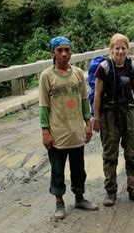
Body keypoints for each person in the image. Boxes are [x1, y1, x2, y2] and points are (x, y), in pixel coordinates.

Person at [39, 36, 98, 220]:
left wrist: (88, 124)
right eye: (59, 51)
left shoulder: (78, 73)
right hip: (58, 134)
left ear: (71, 51)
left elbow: (83, 100)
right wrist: (45, 132)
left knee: (78, 168)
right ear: (53, 53)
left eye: (67, 50)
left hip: (76, 132)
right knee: (57, 170)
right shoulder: (47, 76)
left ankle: (79, 198)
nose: (64, 54)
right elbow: (44, 106)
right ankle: (59, 202)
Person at [93, 33, 134, 206]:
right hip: (108, 114)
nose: (121, 51)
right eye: (117, 48)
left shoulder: (132, 66)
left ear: (127, 49)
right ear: (111, 49)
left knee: (132, 154)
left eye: (123, 48)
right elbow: (98, 94)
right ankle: (111, 191)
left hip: (129, 112)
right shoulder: (104, 68)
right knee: (110, 154)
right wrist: (96, 118)